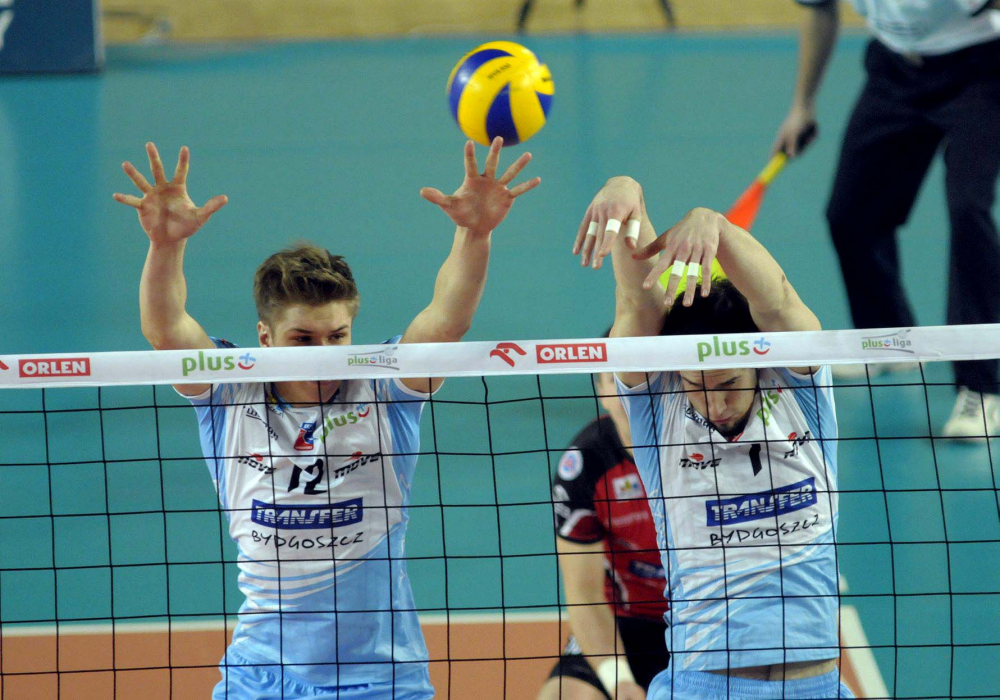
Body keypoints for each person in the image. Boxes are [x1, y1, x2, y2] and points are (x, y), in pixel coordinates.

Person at [113, 139, 540, 699]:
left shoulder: (385, 386)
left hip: (381, 680)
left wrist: (474, 234)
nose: (323, 353)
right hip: (262, 678)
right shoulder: (229, 390)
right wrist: (165, 245)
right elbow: (166, 332)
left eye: (337, 336)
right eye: (303, 339)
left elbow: (446, 321)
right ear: (265, 337)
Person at [573, 178, 852, 699]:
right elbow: (638, 302)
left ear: (759, 360)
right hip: (703, 687)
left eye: (728, 384)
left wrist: (716, 225)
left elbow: (777, 298)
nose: (715, 404)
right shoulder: (659, 411)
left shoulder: (800, 391)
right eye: (697, 387)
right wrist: (628, 195)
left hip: (814, 687)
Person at [774, 0, 1000, 439]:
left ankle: (983, 386)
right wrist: (802, 105)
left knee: (968, 209)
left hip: (982, 70)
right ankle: (889, 341)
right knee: (851, 214)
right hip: (896, 70)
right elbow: (819, 10)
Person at [538, 368, 670, 700]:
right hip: (626, 621)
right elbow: (584, 594)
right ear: (601, 391)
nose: (629, 393)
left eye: (643, 379)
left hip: (706, 616)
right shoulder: (587, 462)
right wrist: (619, 682)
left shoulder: (705, 448)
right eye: (616, 381)